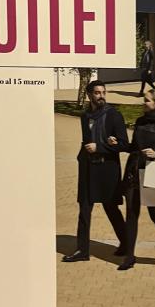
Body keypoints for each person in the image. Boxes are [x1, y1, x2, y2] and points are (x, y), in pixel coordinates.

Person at [62, 80, 128, 263]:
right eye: (97, 93)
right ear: (89, 95)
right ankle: (82, 251)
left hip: (107, 170)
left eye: (103, 92)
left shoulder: (114, 115)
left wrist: (100, 147)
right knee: (84, 208)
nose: (101, 96)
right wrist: (82, 156)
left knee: (111, 208)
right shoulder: (85, 116)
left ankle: (126, 243)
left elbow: (124, 144)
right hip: (88, 168)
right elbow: (86, 141)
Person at [116, 88, 155, 270]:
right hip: (134, 170)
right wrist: (118, 144)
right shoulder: (140, 121)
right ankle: (129, 257)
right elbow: (134, 146)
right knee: (131, 213)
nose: (143, 102)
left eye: (147, 100)